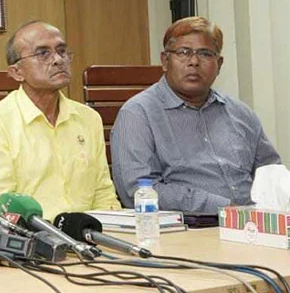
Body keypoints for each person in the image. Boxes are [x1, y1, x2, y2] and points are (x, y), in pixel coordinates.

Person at [111, 16, 281, 215]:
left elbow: (272, 175)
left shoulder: (241, 114)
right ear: (165, 61)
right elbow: (138, 191)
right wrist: (225, 208)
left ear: (219, 64)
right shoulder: (138, 114)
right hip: (191, 226)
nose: (194, 62)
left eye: (205, 54)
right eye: (183, 52)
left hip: (256, 223)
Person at [0, 21, 119, 220]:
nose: (58, 60)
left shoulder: (88, 118)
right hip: (32, 236)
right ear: (17, 72)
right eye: (43, 53)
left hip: (90, 232)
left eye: (62, 51)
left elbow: (103, 194)